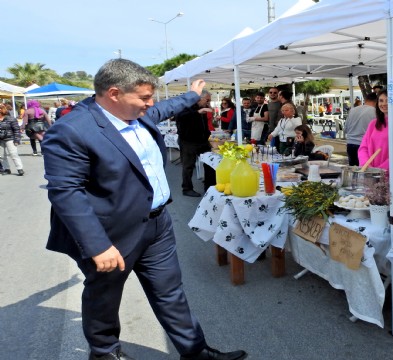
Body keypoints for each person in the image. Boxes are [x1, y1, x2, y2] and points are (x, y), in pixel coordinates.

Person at [42, 59, 246, 360]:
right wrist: (98, 246)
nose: (151, 104)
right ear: (114, 93)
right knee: (104, 298)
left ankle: (195, 352)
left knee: (170, 293)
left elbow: (167, 108)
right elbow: (65, 192)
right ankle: (104, 353)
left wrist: (191, 95)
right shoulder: (72, 130)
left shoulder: (138, 112)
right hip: (110, 234)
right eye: (144, 98)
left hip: (156, 225)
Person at [358, 90, 393, 174]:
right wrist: (367, 167)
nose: (384, 104)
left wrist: (380, 171)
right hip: (371, 176)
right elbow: (363, 147)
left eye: (388, 100)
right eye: (381, 101)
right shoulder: (373, 123)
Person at [174, 89, 213, 198]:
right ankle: (187, 188)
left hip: (202, 141)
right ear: (199, 98)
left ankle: (209, 186)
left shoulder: (202, 108)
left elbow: (204, 123)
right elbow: (179, 117)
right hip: (188, 141)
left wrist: (207, 134)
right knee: (188, 166)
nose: (208, 103)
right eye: (207, 100)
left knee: (210, 162)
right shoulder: (185, 106)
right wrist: (197, 113)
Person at [345, 92, 377, 166]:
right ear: (376, 101)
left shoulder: (353, 110)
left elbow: (345, 128)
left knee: (353, 171)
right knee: (365, 172)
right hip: (364, 146)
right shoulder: (375, 112)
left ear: (366, 100)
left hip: (350, 144)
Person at [0, 103, 24, 176]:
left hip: (10, 138)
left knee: (13, 154)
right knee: (1, 155)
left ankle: (20, 169)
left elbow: (16, 130)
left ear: (2, 110)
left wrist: (17, 140)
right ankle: (7, 169)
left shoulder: (11, 118)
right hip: (0, 139)